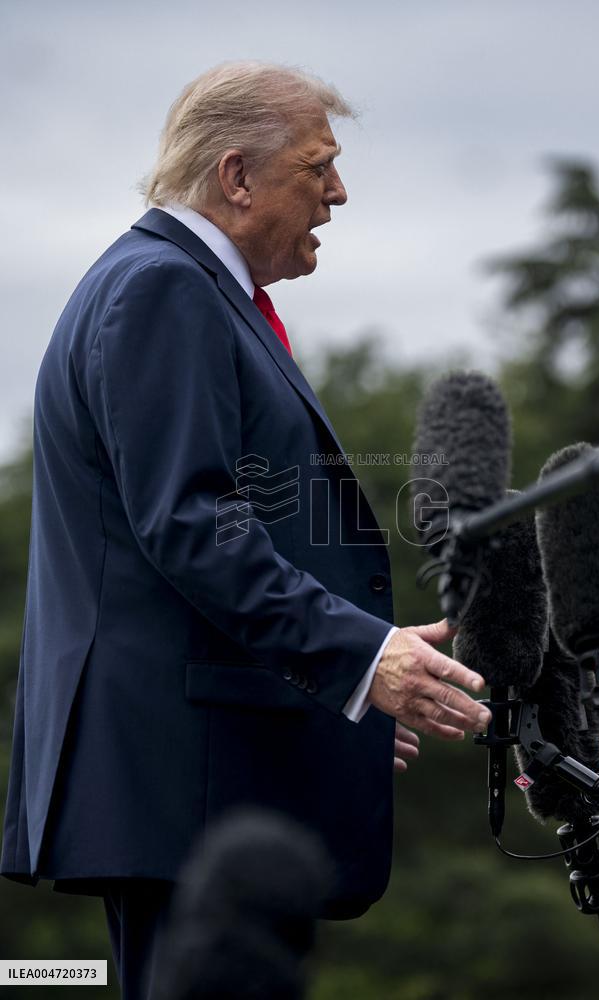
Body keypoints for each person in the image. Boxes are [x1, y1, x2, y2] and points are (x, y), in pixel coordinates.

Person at [1, 62, 491, 999]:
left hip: (203, 780)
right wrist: (359, 659)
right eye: (320, 167)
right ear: (235, 176)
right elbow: (193, 527)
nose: (339, 194)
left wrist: (329, 688)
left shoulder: (162, 285)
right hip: (186, 790)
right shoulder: (164, 289)